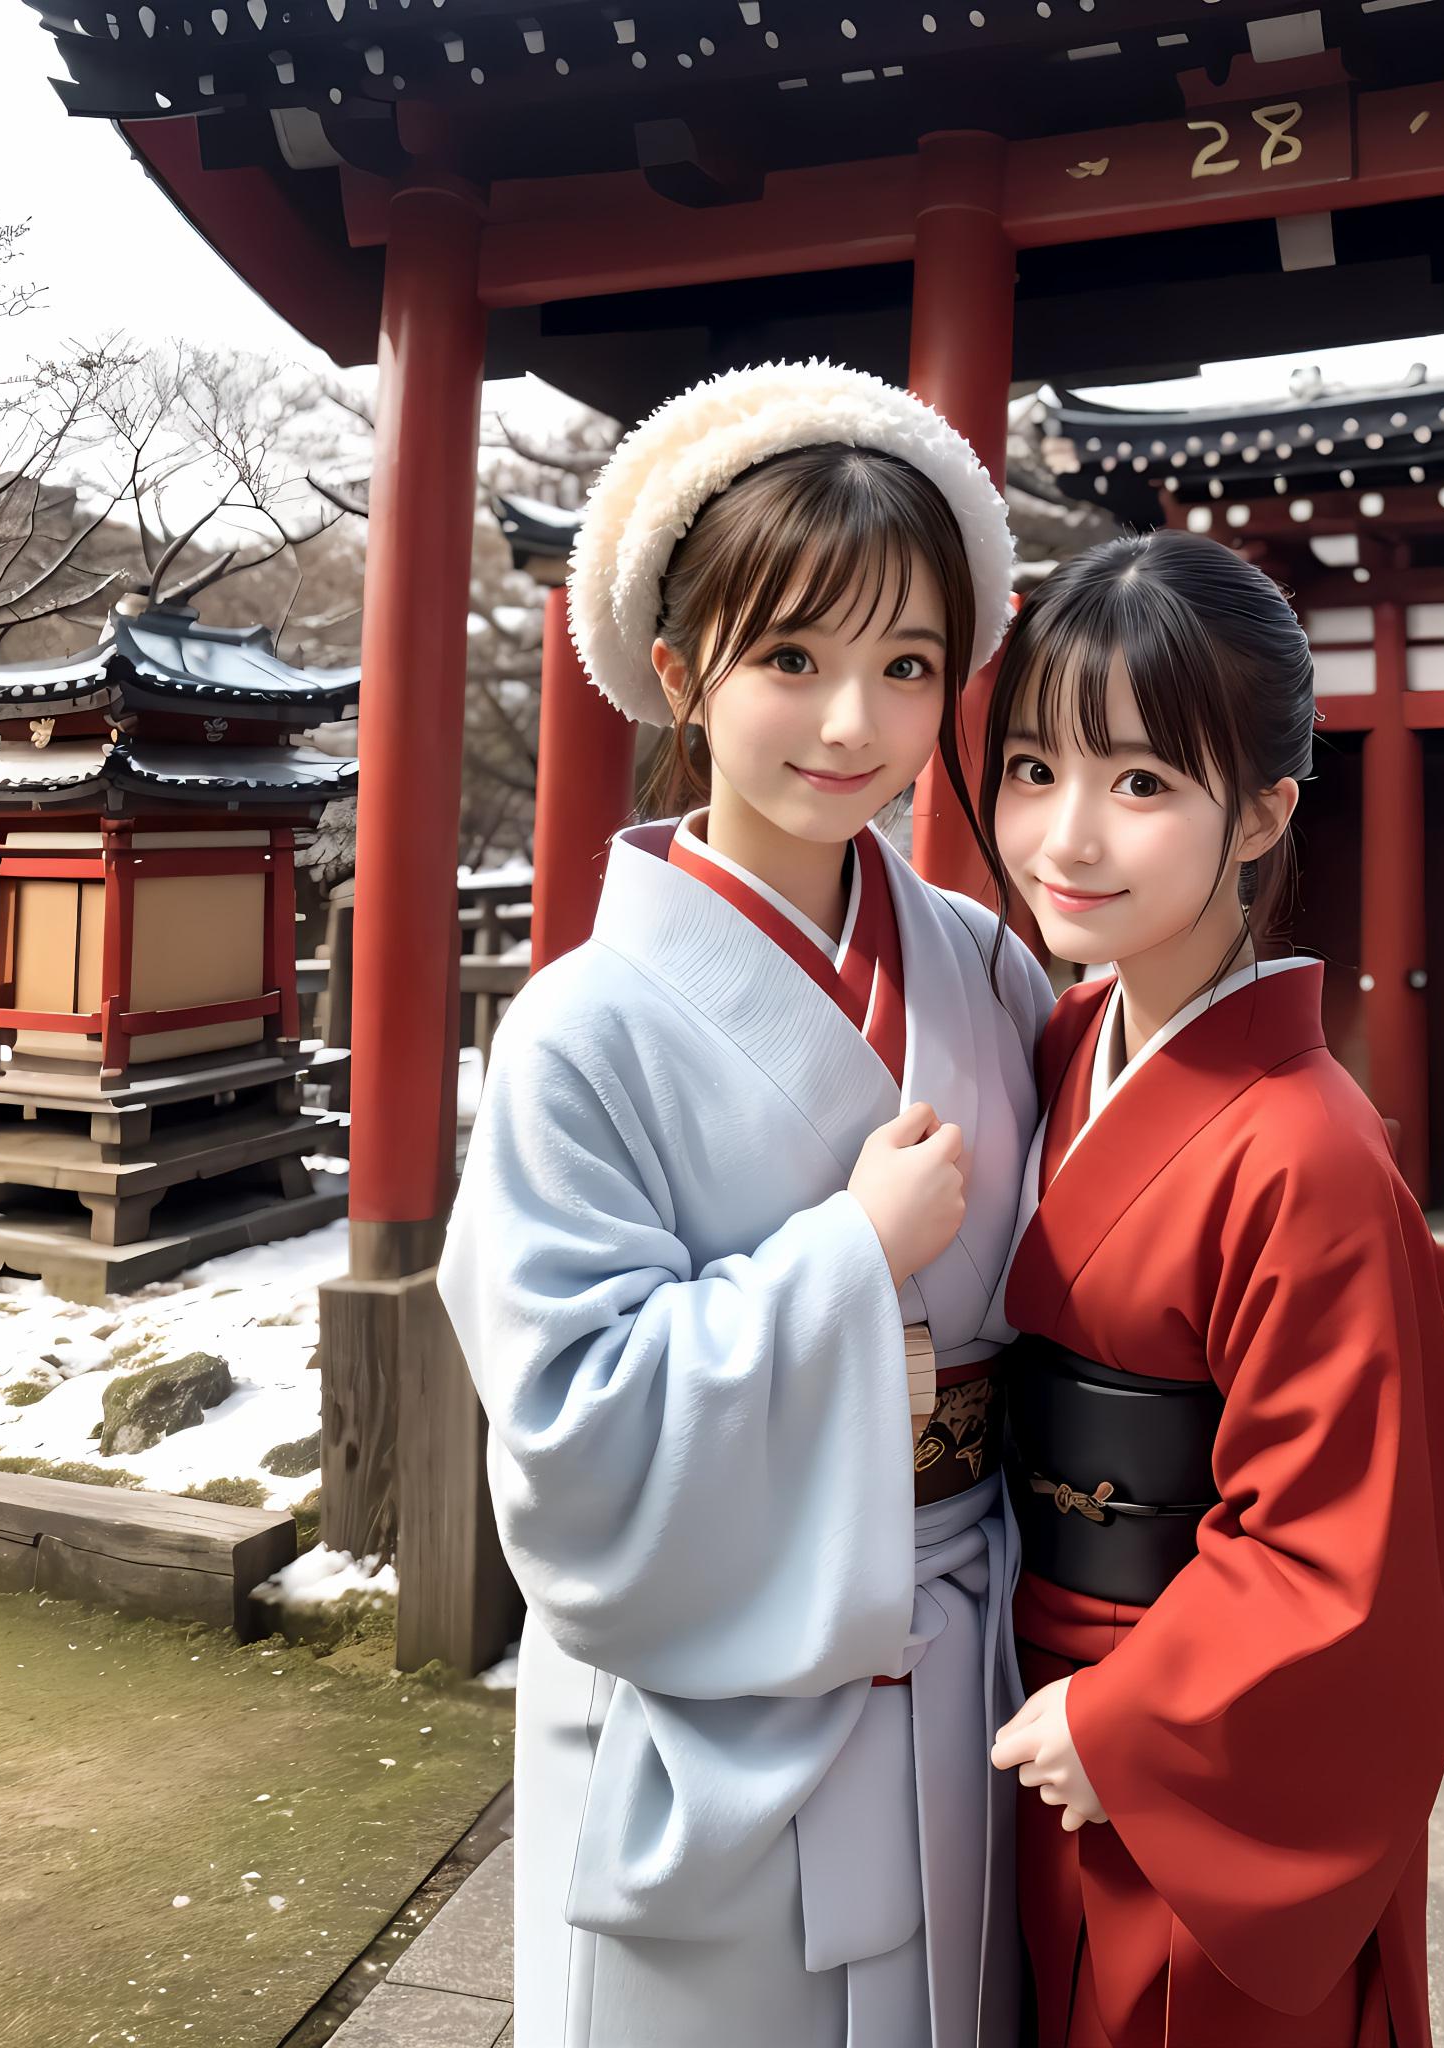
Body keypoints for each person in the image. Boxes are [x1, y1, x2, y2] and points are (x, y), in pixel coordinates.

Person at [439, 362, 1050, 2048]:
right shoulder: (579, 1028)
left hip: (968, 1642)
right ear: (679, 673)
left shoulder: (984, 963)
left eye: (906, 667)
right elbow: (568, 1423)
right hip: (720, 1685)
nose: (853, 725)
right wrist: (850, 1258)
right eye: (791, 659)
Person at [982, 529, 1444, 2048]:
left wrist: (1129, 1722)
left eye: (1142, 783)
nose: (1067, 835)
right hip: (1032, 1692)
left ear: (1266, 809)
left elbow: (1350, 1543)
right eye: (1033, 769)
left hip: (1184, 1748)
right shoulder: (1067, 1043)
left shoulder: (1308, 1151)